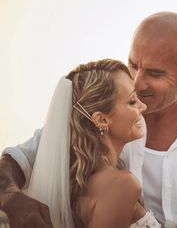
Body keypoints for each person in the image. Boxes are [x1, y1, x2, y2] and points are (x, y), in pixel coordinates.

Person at [1, 11, 177, 227]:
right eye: (133, 65)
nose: (137, 81)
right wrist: (12, 199)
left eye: (155, 73)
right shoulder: (99, 112)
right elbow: (14, 161)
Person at [1, 58, 162, 228]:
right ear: (101, 120)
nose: (143, 106)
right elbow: (13, 160)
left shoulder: (78, 179)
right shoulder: (122, 185)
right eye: (131, 101)